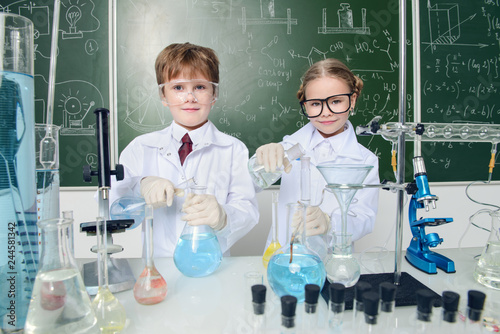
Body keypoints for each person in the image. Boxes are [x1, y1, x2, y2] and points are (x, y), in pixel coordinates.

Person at [110, 42, 259, 257]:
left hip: (211, 266)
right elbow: (113, 211)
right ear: (163, 96)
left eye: (200, 87)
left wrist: (223, 216)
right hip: (157, 268)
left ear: (214, 93)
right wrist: (139, 188)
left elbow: (247, 210)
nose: (190, 97)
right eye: (178, 88)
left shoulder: (233, 149)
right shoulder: (140, 148)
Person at [255, 58, 379, 252]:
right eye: (315, 104)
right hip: (283, 256)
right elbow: (246, 186)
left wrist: (330, 223)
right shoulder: (288, 147)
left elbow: (365, 218)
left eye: (336, 101)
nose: (325, 113)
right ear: (305, 104)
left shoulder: (365, 161)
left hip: (333, 261)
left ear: (352, 100)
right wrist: (259, 160)